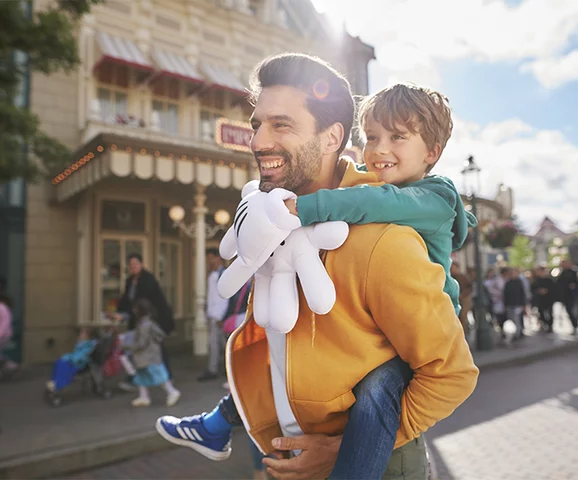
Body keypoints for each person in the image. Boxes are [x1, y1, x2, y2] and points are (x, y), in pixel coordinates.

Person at [156, 54, 478, 480]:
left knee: (382, 383)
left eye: (281, 125)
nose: (257, 142)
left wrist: (345, 450)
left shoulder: (386, 239)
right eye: (257, 125)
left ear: (331, 138)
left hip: (372, 465)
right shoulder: (274, 220)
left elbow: (452, 375)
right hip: (288, 455)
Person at [111, 253, 175, 390]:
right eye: (131, 265)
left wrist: (125, 315)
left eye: (135, 264)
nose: (133, 267)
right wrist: (117, 312)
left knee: (156, 350)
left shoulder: (148, 279)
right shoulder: (130, 281)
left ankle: (167, 378)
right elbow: (126, 300)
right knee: (138, 350)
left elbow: (141, 300)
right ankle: (137, 381)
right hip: (138, 319)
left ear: (141, 264)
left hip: (154, 319)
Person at [125, 298, 180, 407]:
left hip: (148, 356)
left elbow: (142, 342)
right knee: (141, 376)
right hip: (147, 356)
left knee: (158, 375)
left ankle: (172, 391)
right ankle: (143, 396)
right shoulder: (147, 323)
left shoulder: (144, 325)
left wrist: (130, 347)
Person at [198, 248, 230, 382]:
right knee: (215, 344)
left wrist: (222, 316)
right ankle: (217, 369)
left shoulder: (225, 274)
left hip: (221, 316)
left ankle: (218, 369)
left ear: (218, 258)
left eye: (211, 258)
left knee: (222, 344)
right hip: (213, 314)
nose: (209, 261)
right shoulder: (212, 275)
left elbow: (228, 297)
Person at [45, 328, 98, 392]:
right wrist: (66, 356)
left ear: (87, 336)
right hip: (75, 361)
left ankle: (57, 385)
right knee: (58, 362)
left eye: (82, 333)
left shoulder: (88, 345)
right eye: (81, 333)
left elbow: (79, 357)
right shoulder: (81, 344)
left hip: (79, 364)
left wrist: (68, 358)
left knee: (63, 365)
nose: (80, 335)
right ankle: (53, 382)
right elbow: (75, 354)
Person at [0, 278, 18, 376]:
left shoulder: (3, 307)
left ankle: (8, 365)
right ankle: (9, 365)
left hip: (4, 334)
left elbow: (5, 323)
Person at [557, 259, 578, 334]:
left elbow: (576, 283)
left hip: (572, 295)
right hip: (564, 296)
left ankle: (575, 325)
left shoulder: (573, 272)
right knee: (568, 311)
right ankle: (575, 325)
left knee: (571, 311)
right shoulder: (561, 272)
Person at [504, 267, 526, 339]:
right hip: (510, 304)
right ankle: (516, 332)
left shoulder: (519, 282)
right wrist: (506, 304)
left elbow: (522, 294)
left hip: (517, 304)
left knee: (517, 319)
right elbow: (505, 294)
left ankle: (518, 333)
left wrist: (523, 304)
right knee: (512, 318)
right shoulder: (508, 283)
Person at [531, 266, 555, 333]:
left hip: (549, 299)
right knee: (541, 313)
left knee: (550, 313)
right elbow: (533, 289)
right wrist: (538, 291)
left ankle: (550, 325)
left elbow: (554, 289)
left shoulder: (549, 280)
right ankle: (544, 323)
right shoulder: (536, 280)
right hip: (540, 300)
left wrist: (547, 291)